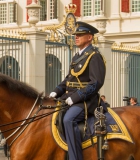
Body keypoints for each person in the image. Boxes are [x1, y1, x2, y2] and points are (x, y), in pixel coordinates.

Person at [49, 21, 107, 160]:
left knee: (69, 120)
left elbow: (96, 83)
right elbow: (68, 79)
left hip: (86, 101)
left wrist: (76, 97)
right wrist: (56, 91)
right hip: (70, 98)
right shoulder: (76, 57)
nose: (76, 37)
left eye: (80, 34)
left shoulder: (94, 56)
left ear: (89, 37)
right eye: (76, 34)